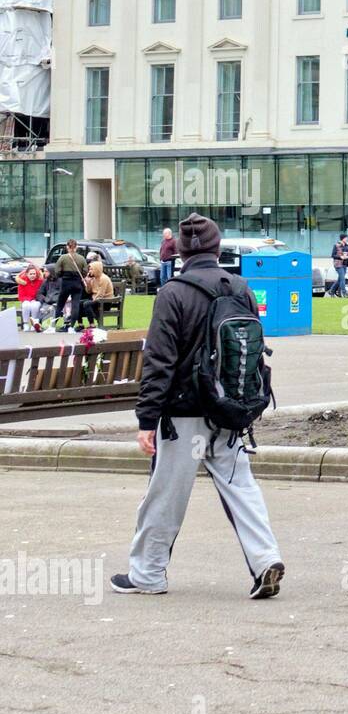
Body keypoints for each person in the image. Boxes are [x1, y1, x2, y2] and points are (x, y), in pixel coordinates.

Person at [111, 212, 285, 600]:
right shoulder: (239, 287)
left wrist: (146, 418)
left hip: (183, 414)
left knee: (166, 494)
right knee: (241, 486)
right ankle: (266, 558)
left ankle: (148, 574)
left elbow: (159, 362)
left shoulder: (173, 293)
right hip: (229, 408)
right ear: (217, 247)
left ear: (181, 251)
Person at [53, 239, 87, 333]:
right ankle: (72, 326)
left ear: (67, 247)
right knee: (75, 305)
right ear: (76, 247)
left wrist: (62, 275)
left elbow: (57, 271)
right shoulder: (81, 258)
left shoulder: (63, 258)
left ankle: (53, 325)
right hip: (77, 283)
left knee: (60, 304)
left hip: (66, 282)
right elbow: (85, 271)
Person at [79, 260, 115, 326]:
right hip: (96, 299)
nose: (89, 271)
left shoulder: (103, 279)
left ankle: (92, 325)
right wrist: (88, 283)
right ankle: (80, 325)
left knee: (87, 304)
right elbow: (88, 291)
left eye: (91, 269)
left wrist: (92, 300)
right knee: (78, 303)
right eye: (89, 269)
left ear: (97, 269)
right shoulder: (93, 278)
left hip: (105, 301)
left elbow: (101, 294)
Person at [15, 263, 43, 332]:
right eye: (31, 274)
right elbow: (21, 295)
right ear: (27, 274)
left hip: (36, 299)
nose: (32, 275)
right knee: (26, 305)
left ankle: (34, 324)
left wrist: (34, 300)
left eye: (34, 274)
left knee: (35, 306)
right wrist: (28, 300)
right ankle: (26, 324)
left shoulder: (39, 281)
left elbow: (41, 293)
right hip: (25, 299)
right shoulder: (22, 282)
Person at [32, 265, 59, 332]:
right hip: (47, 302)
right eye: (44, 271)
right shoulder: (45, 282)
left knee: (51, 308)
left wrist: (54, 300)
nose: (44, 273)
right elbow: (39, 293)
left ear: (52, 272)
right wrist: (44, 298)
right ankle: (39, 324)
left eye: (46, 271)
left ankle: (39, 322)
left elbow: (63, 294)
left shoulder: (60, 281)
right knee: (43, 308)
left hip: (57, 303)